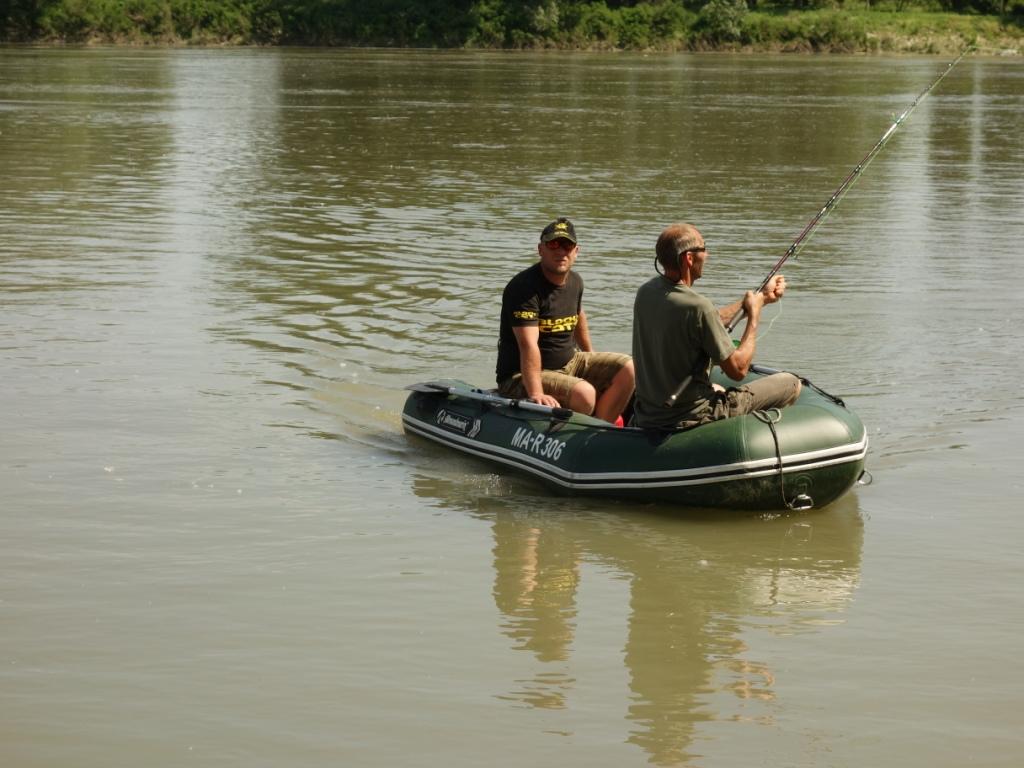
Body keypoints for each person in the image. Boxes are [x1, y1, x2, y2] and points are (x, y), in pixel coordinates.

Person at [631, 222, 801, 430]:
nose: (707, 255)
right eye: (704, 249)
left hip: (649, 415)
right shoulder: (699, 307)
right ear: (689, 258)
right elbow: (738, 370)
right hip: (693, 416)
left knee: (717, 386)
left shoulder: (646, 292)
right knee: (790, 383)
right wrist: (754, 315)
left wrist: (761, 298)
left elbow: (706, 320)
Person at [496, 217, 635, 423]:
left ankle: (601, 428)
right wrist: (536, 392)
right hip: (520, 376)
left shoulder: (576, 281)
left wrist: (590, 354)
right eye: (553, 244)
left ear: (576, 251)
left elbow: (578, 316)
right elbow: (527, 344)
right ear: (540, 249)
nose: (561, 251)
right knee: (585, 394)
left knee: (629, 368)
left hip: (570, 362)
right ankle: (586, 430)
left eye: (567, 245)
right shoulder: (524, 288)